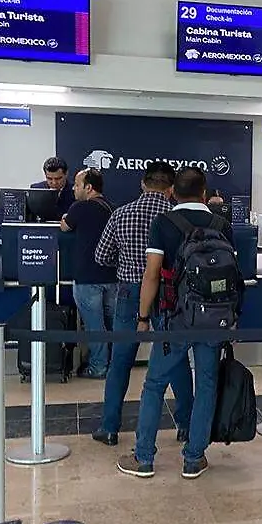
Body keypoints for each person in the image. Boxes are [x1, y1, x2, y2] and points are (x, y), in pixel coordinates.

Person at [116, 166, 231, 479]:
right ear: (204, 193)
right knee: (206, 384)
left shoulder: (164, 223)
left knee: (154, 384)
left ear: (172, 193)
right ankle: (194, 458)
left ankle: (143, 458)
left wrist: (143, 317)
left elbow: (152, 274)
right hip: (214, 319)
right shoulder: (221, 223)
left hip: (174, 318)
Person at [92, 161, 194, 446]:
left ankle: (109, 427)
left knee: (120, 361)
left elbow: (101, 255)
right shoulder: (176, 219)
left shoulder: (121, 214)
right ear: (171, 189)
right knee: (175, 359)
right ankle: (186, 425)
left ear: (142, 184)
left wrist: (125, 264)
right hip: (168, 294)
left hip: (129, 293)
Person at [60, 168, 117, 379]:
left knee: (94, 326)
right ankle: (114, 366)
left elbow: (65, 227)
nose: (74, 189)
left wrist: (65, 217)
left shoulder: (79, 207)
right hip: (112, 276)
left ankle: (98, 367)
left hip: (87, 277)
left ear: (89, 187)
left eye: (77, 185)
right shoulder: (113, 208)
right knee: (112, 325)